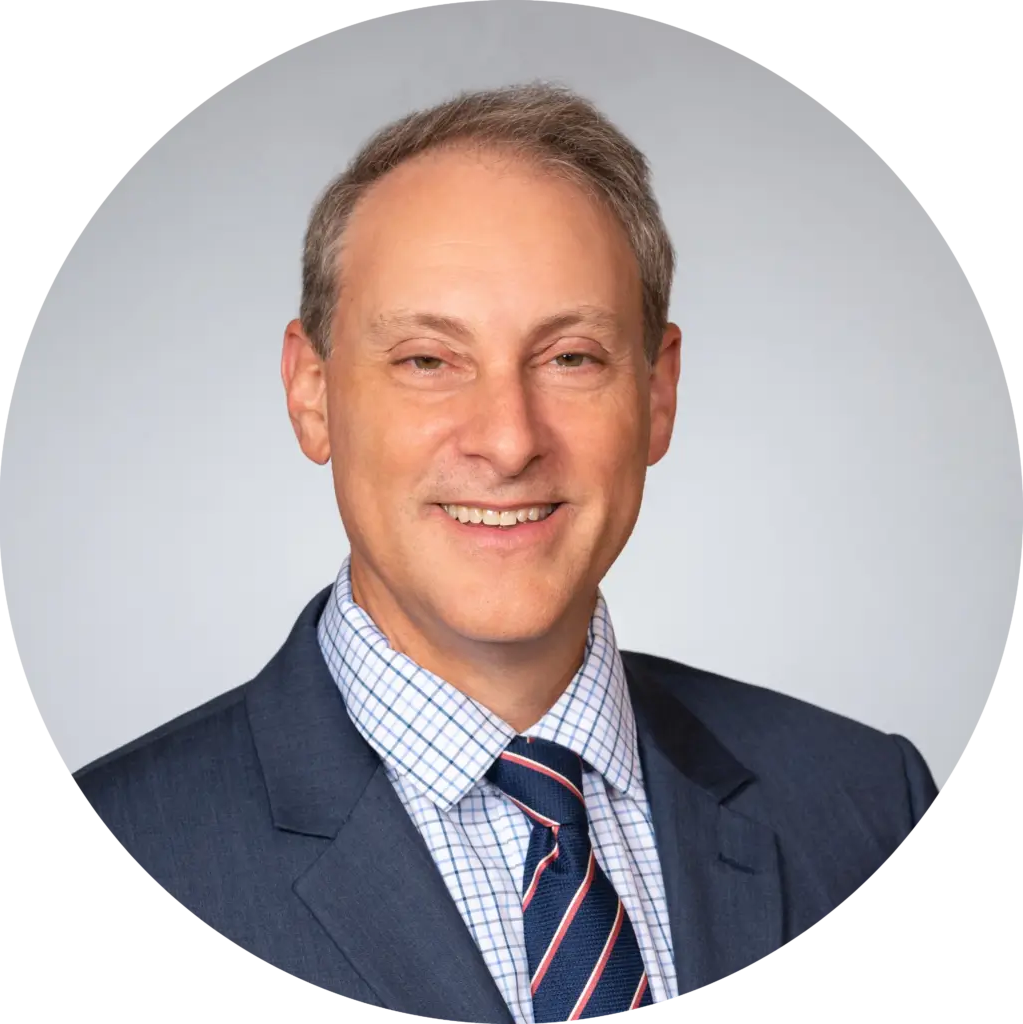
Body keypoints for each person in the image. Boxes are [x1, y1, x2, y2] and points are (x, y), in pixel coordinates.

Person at [72, 82, 938, 1023]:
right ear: (313, 394)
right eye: (427, 361)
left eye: (571, 357)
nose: (509, 439)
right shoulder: (134, 844)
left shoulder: (870, 808)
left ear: (656, 394)